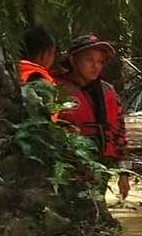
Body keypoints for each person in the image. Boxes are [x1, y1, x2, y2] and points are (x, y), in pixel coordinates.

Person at [56, 34, 130, 201]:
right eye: (89, 60)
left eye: (100, 62)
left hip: (101, 166)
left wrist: (123, 173)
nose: (95, 66)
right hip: (69, 170)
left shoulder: (108, 91)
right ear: (73, 61)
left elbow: (120, 133)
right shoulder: (56, 89)